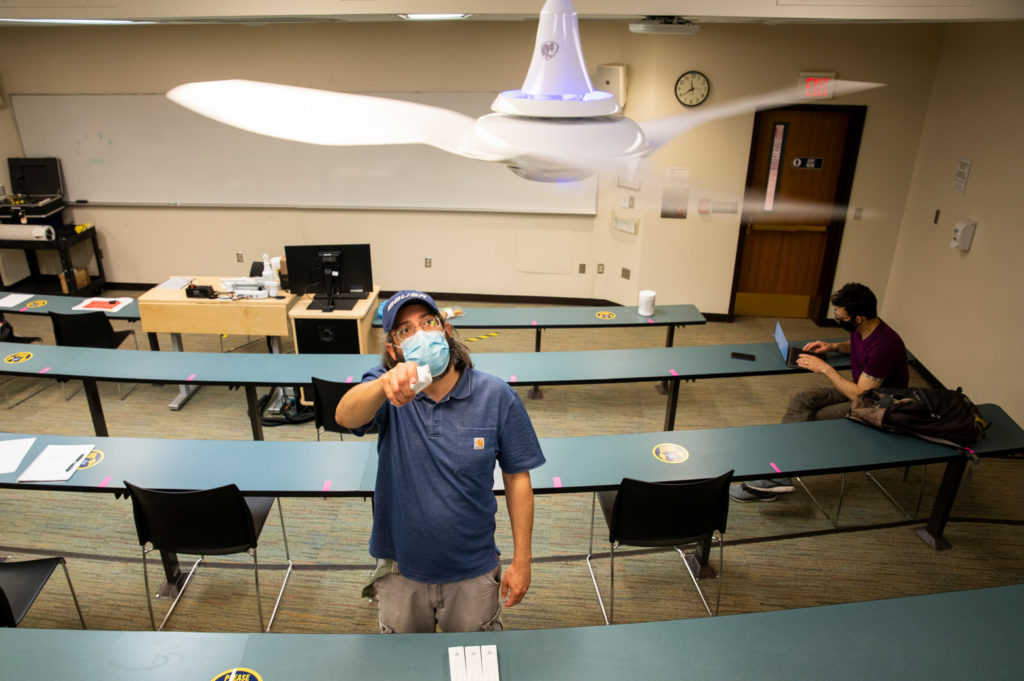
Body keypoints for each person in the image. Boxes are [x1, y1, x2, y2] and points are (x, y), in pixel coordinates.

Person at [335, 290, 546, 633]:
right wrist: (384, 384)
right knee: (404, 664)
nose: (421, 334)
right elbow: (345, 415)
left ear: (445, 329)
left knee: (473, 659)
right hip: (402, 568)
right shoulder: (388, 393)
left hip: (473, 569)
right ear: (393, 349)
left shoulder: (496, 396)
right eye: (405, 330)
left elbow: (517, 477)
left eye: (428, 322)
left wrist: (522, 559)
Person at [732, 282, 909, 502]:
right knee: (802, 398)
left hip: (878, 406)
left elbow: (861, 395)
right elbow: (855, 344)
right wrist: (832, 347)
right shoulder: (866, 329)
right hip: (861, 390)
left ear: (858, 318)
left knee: (814, 417)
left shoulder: (884, 345)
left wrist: (826, 369)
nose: (838, 320)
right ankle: (779, 469)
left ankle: (778, 474)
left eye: (841, 318)